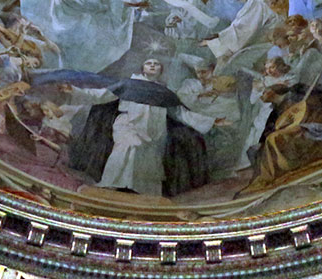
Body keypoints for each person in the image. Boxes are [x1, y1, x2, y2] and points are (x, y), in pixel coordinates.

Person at [67, 59, 217, 197]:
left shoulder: (164, 92)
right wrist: (74, 91)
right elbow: (101, 95)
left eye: (156, 64)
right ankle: (111, 186)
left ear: (161, 70)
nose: (152, 65)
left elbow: (181, 113)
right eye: (149, 63)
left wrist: (211, 121)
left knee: (150, 159)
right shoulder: (129, 84)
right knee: (130, 146)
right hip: (128, 124)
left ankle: (145, 193)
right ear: (143, 68)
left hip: (155, 131)